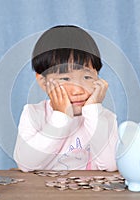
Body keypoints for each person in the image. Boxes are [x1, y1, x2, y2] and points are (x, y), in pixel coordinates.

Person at [13, 25, 118, 172]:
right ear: (43, 82)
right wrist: (61, 117)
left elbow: (111, 165)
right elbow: (26, 164)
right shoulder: (33, 114)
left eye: (87, 77)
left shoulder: (104, 117)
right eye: (65, 78)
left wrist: (93, 110)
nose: (78, 90)